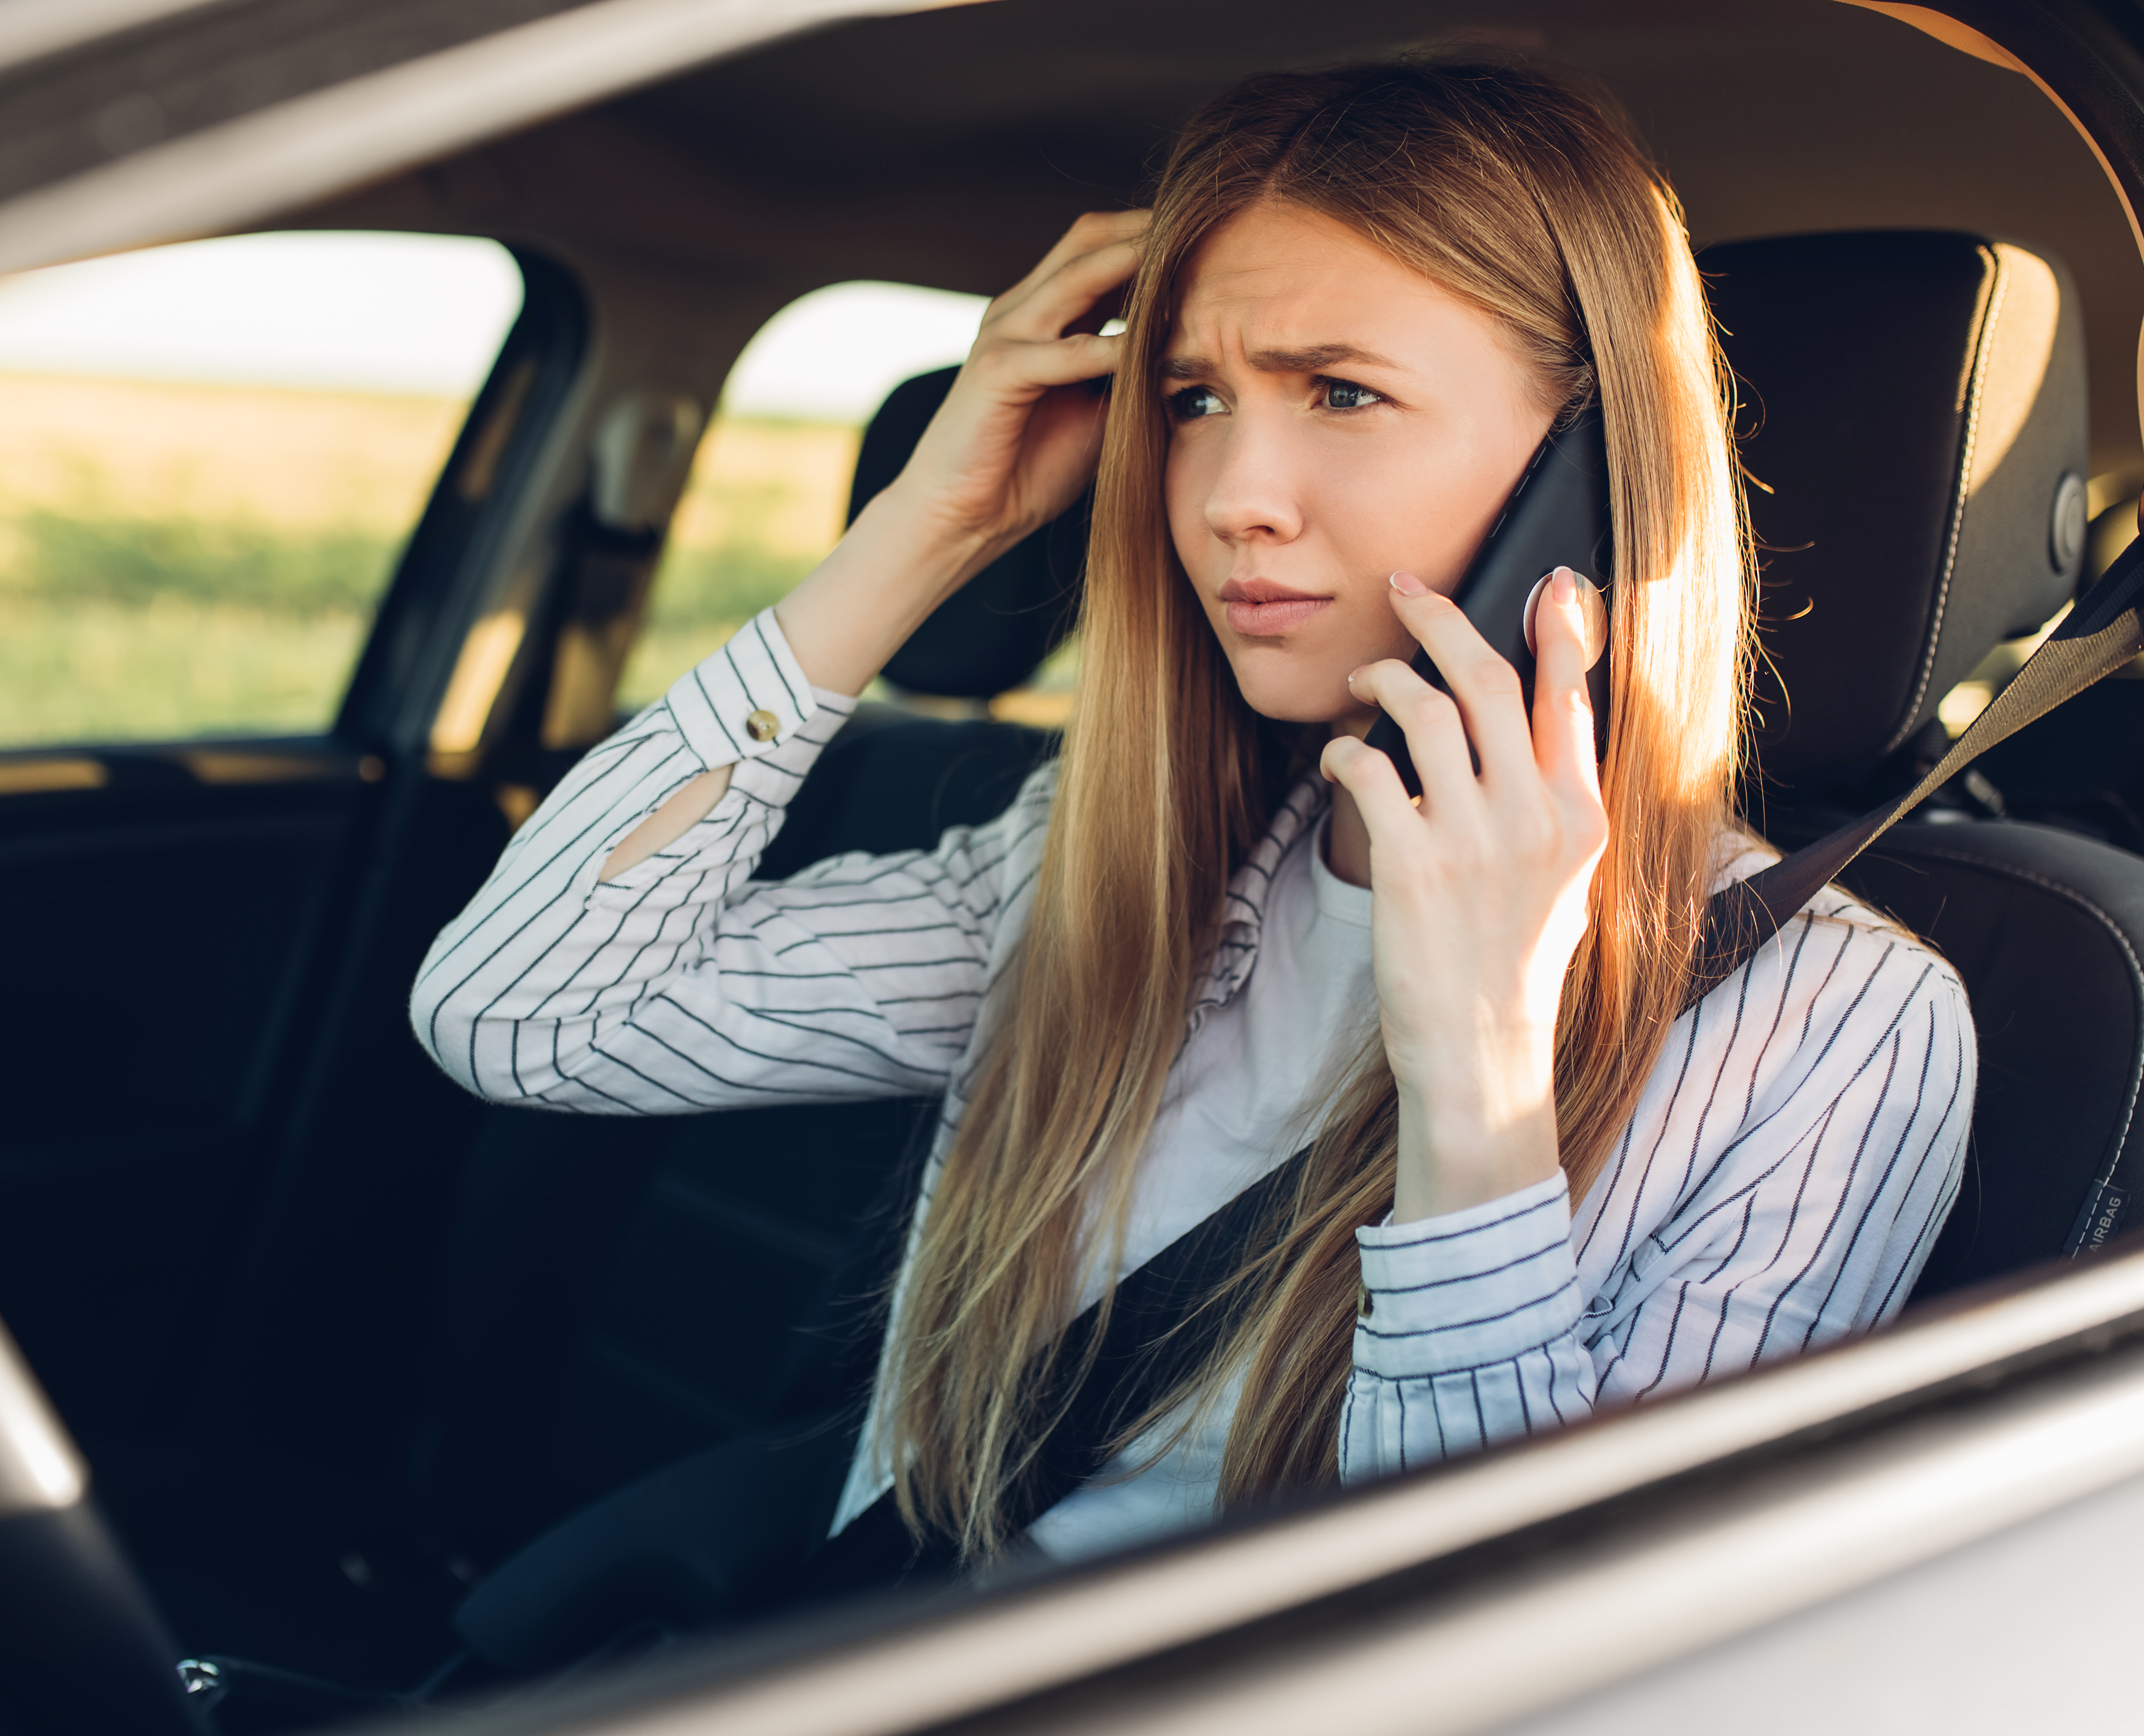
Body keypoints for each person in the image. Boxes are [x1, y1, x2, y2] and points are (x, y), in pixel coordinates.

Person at [412, 62, 1971, 1579]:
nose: (1232, 492)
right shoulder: (1096, 866)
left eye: (1342, 393)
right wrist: (922, 531)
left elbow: (1518, 1644)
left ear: (1596, 472)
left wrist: (1479, 1088)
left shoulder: (1835, 1027)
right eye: (1193, 401)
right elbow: (526, 1017)